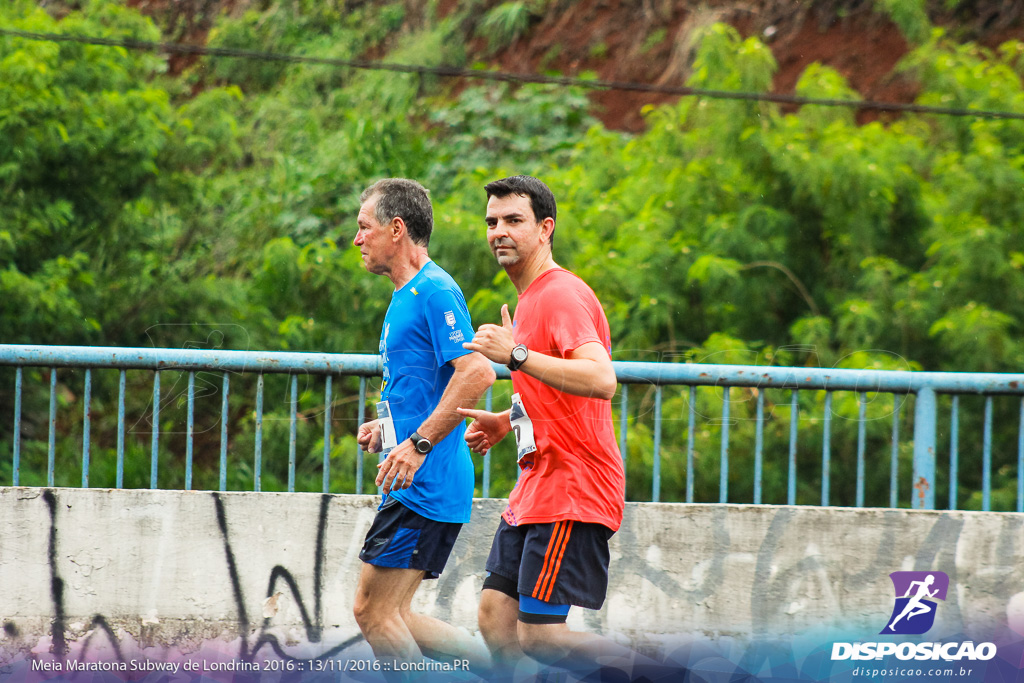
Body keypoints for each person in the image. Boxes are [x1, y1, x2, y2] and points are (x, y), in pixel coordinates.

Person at [457, 175, 631, 675]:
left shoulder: (559, 294)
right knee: (495, 620)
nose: (499, 232)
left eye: (513, 220)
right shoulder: (530, 300)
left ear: (545, 228)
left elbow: (601, 379)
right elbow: (551, 389)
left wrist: (514, 353)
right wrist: (507, 420)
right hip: (536, 490)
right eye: (492, 222)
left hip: (572, 490)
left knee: (543, 636)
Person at [350, 178, 494, 674]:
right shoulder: (406, 295)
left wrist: (418, 443)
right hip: (418, 480)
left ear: (396, 228)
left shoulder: (434, 290)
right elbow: (427, 388)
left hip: (426, 486)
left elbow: (477, 372)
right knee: (396, 616)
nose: (357, 239)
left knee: (373, 613)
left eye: (364, 227)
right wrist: (389, 432)